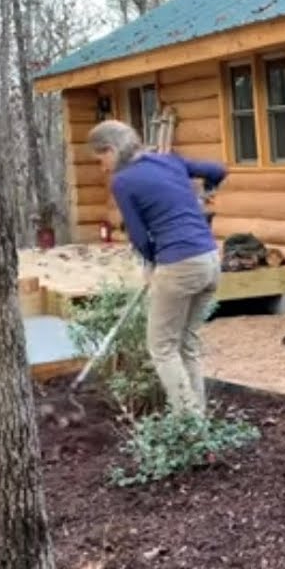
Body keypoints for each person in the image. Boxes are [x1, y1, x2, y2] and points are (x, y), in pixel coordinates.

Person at [87, 119, 226, 417]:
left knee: (162, 348)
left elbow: (138, 235)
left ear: (111, 149)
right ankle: (197, 417)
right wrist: (208, 191)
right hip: (210, 260)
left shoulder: (123, 181)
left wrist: (152, 263)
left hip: (178, 264)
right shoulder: (169, 161)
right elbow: (217, 170)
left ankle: (188, 423)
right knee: (185, 343)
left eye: (102, 159)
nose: (103, 167)